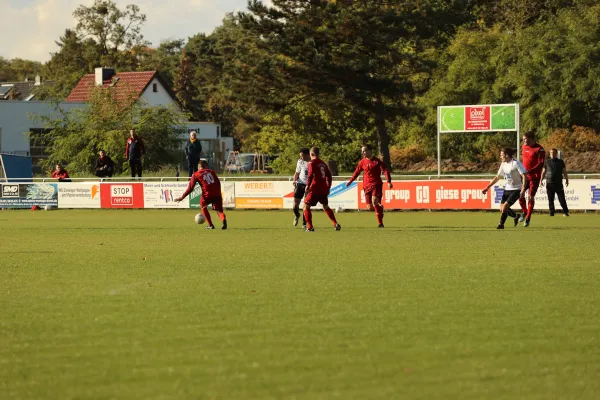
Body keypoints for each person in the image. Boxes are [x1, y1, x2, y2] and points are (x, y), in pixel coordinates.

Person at [346, 145, 393, 228]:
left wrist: (388, 181)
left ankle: (380, 223)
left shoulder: (377, 161)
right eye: (362, 151)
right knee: (370, 207)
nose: (363, 153)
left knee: (374, 201)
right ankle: (380, 209)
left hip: (376, 184)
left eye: (365, 151)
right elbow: (356, 172)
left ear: (370, 151)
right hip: (366, 185)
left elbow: (385, 171)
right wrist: (350, 181)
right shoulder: (362, 162)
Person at [175, 160, 227, 230]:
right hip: (217, 193)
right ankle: (223, 221)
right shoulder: (211, 171)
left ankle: (211, 225)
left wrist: (182, 197)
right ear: (205, 165)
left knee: (203, 205)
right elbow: (218, 182)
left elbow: (190, 188)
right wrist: (218, 193)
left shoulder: (196, 174)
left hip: (207, 194)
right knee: (219, 210)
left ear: (199, 167)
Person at [482, 148, 527, 229]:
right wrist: (487, 187)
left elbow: (524, 175)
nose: (500, 157)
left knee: (505, 207)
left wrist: (523, 189)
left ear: (506, 155)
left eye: (501, 155)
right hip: (507, 188)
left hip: (517, 189)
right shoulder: (503, 164)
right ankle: (516, 216)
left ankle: (501, 224)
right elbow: (497, 177)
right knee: (502, 209)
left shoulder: (515, 163)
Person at [303, 146, 341, 232]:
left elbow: (310, 175)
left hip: (315, 188)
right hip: (323, 189)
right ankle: (335, 224)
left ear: (311, 154)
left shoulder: (311, 163)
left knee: (306, 206)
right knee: (325, 206)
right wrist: (328, 187)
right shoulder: (323, 163)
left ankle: (310, 227)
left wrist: (307, 186)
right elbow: (329, 176)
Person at [519, 131, 545, 227]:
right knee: (520, 195)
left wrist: (530, 170)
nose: (524, 141)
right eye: (523, 139)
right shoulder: (524, 147)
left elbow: (541, 164)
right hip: (525, 177)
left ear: (532, 139)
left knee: (530, 197)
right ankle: (525, 211)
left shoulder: (540, 149)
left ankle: (528, 218)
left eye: (526, 139)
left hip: (534, 177)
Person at [541, 148, 570, 217]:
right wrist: (541, 180)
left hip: (558, 183)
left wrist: (566, 180)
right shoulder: (547, 162)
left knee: (562, 199)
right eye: (551, 153)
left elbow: (564, 171)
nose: (552, 154)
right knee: (550, 200)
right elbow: (544, 172)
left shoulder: (560, 162)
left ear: (556, 154)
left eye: (553, 153)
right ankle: (551, 213)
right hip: (549, 183)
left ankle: (566, 212)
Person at [292, 147, 310, 228]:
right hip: (300, 184)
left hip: (309, 185)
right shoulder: (300, 162)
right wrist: (294, 180)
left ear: (307, 155)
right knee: (295, 205)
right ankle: (297, 215)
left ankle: (304, 223)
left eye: (302, 156)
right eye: (300, 156)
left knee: (306, 205)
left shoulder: (312, 162)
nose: (301, 157)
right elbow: (297, 172)